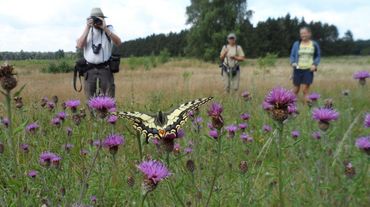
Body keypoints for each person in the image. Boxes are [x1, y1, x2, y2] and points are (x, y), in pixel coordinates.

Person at [76, 8, 122, 98]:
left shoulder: (109, 29)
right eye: (95, 19)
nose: (97, 22)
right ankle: (92, 112)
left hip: (105, 68)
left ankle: (108, 112)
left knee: (109, 97)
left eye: (99, 19)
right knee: (90, 98)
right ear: (90, 19)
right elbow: (80, 45)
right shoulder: (87, 30)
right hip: (89, 68)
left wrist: (105, 29)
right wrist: (87, 27)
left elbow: (119, 43)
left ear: (103, 19)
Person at [290, 27, 321, 103]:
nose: (302, 35)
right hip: (297, 69)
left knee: (305, 90)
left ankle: (307, 108)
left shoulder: (314, 44)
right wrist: (293, 62)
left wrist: (315, 64)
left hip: (308, 70)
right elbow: (292, 55)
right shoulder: (296, 44)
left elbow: (318, 55)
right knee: (295, 90)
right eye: (301, 33)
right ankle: (290, 107)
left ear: (309, 34)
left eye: (304, 33)